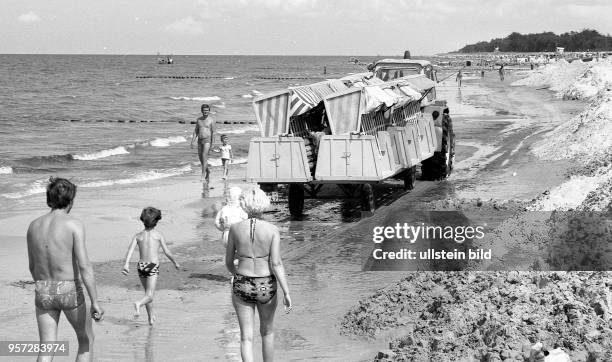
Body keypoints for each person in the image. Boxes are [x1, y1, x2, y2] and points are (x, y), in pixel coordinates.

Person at [27, 177, 104, 362]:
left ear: (49, 198)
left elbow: (32, 266)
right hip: (69, 290)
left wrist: (44, 287)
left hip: (43, 289)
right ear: (70, 200)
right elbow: (84, 266)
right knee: (86, 341)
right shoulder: (73, 224)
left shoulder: (33, 226)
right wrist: (95, 301)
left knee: (46, 347)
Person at [226, 187, 292, 362]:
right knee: (267, 332)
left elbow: (228, 262)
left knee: (246, 337)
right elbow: (276, 263)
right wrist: (286, 292)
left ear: (244, 204)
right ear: (264, 204)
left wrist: (236, 276)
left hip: (242, 281)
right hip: (266, 285)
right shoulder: (272, 230)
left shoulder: (234, 229)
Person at [122, 207, 180, 325]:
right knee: (150, 296)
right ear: (156, 221)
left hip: (141, 266)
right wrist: (175, 262)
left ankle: (150, 318)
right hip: (152, 266)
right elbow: (167, 251)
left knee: (147, 293)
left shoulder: (138, 236)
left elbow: (130, 250)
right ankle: (138, 304)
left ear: (143, 221)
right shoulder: (158, 235)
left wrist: (126, 264)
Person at [190, 104, 215, 184]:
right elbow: (196, 131)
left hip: (207, 140)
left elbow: (213, 133)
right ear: (201, 111)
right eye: (204, 110)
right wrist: (193, 141)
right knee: (201, 158)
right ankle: (208, 171)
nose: (205, 112)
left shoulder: (211, 120)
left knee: (204, 156)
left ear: (209, 111)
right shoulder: (199, 120)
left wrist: (213, 143)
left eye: (207, 110)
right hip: (200, 140)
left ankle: (202, 175)